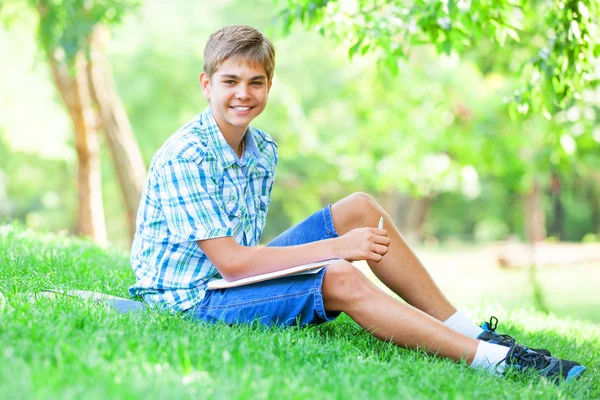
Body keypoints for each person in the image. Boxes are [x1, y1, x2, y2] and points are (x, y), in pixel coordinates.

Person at [129, 24, 585, 383]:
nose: (243, 94)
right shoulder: (187, 155)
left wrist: (329, 245)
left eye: (256, 82)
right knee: (340, 274)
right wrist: (334, 248)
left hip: (229, 280)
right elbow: (233, 264)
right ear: (206, 84)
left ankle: (470, 330)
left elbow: (243, 262)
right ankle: (494, 361)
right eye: (230, 81)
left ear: (270, 85)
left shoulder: (261, 149)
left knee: (360, 207)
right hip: (190, 299)